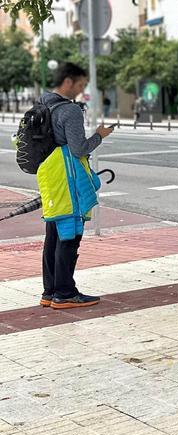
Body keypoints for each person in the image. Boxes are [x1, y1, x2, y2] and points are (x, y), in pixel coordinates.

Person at [37, 63, 113, 309]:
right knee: (69, 233)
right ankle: (65, 293)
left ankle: (50, 292)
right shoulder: (69, 111)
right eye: (80, 85)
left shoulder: (42, 104)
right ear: (68, 82)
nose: (81, 90)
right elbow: (79, 148)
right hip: (68, 177)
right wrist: (100, 135)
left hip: (49, 175)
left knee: (54, 233)